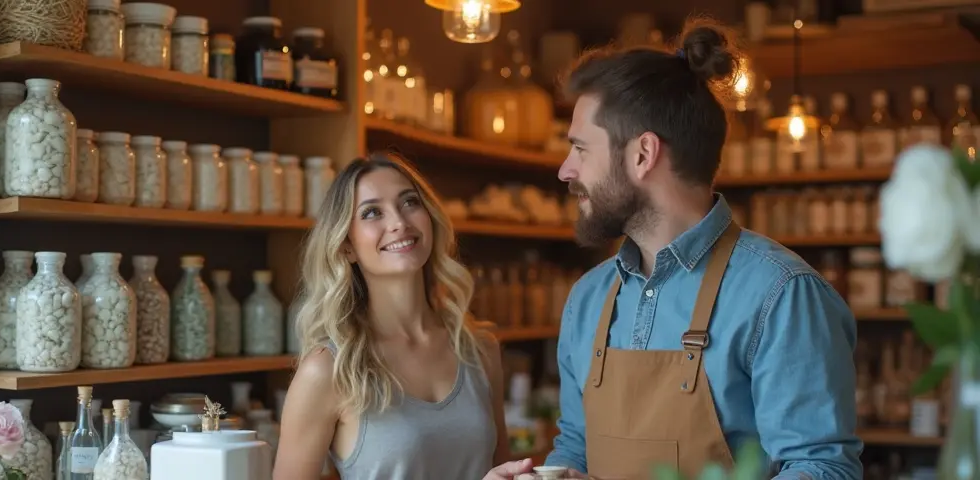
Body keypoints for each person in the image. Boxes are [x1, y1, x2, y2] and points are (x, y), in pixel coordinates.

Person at [485, 18, 863, 480]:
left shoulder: (782, 294)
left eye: (580, 149)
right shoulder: (587, 299)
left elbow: (822, 467)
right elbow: (577, 449)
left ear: (643, 154)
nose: (565, 170)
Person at [274, 152, 511, 479]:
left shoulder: (481, 350)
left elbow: (503, 470)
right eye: (372, 212)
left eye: (410, 202)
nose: (399, 222)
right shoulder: (327, 371)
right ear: (346, 247)